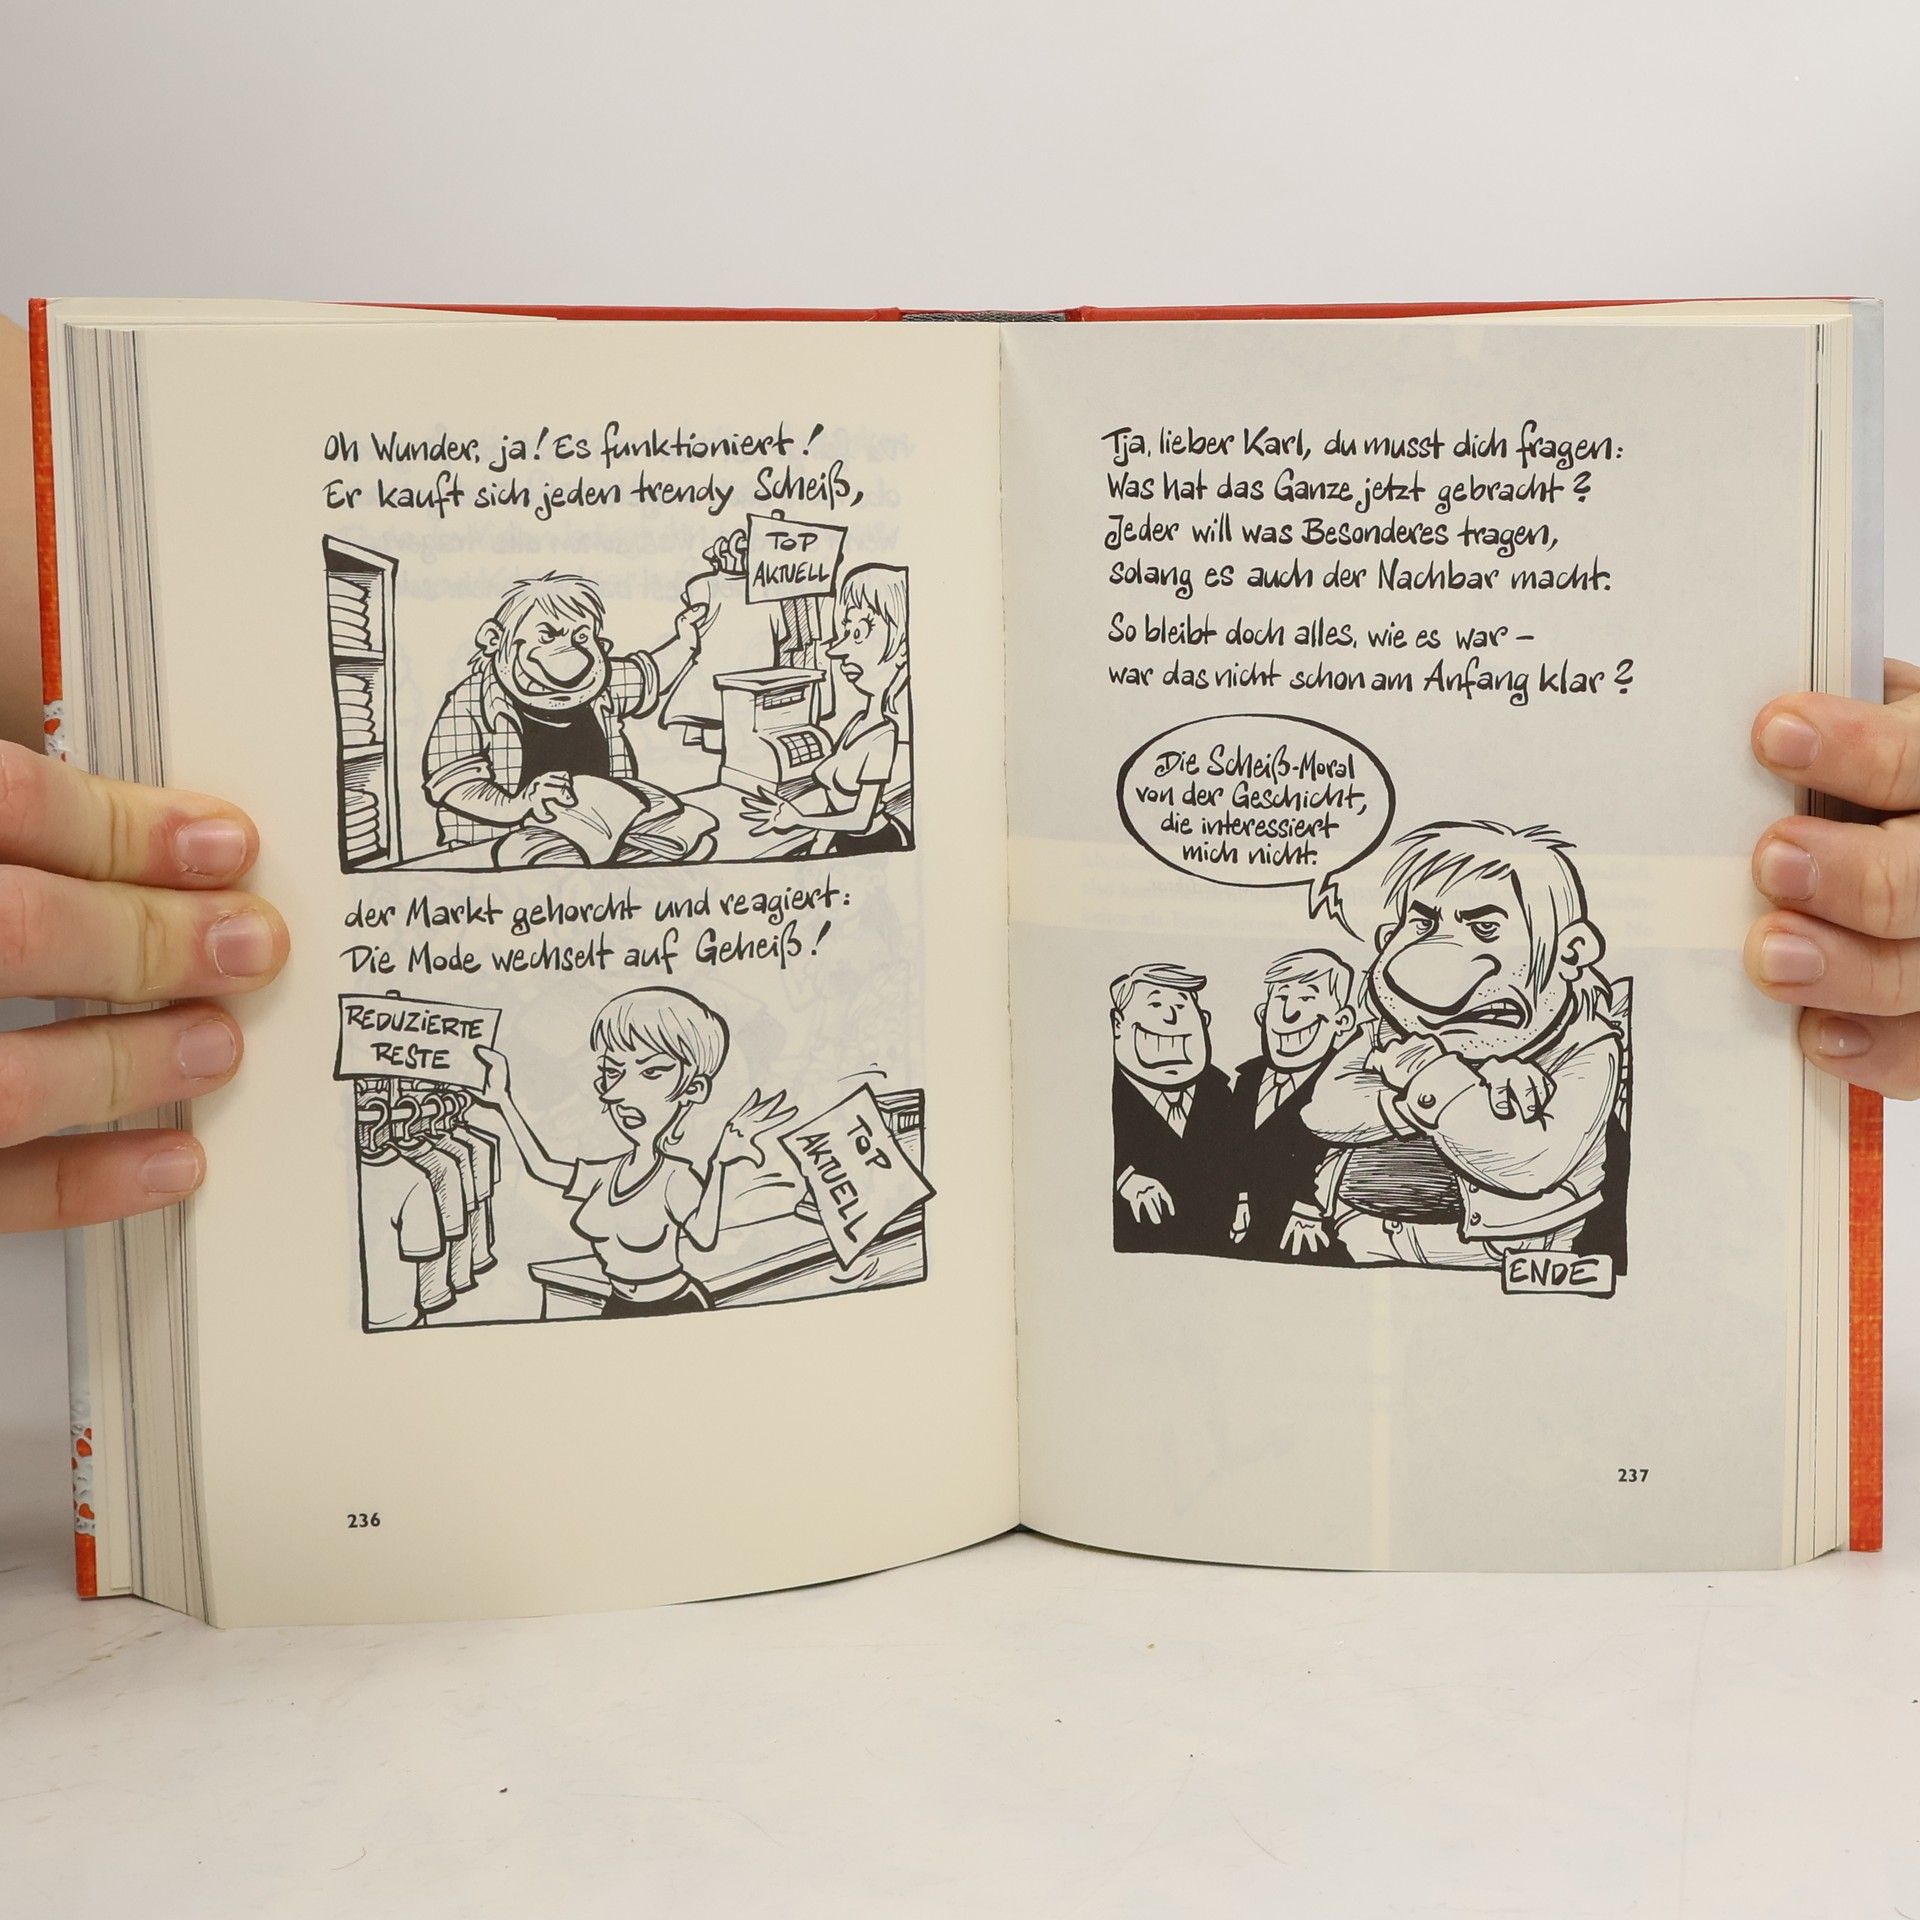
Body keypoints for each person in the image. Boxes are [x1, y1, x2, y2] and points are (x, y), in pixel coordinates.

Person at [0, 314, 1915, 1236]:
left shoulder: (1527, 1037)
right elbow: (467, 795)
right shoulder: (478, 715)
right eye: (551, 639)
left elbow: (658, 688)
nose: (573, 656)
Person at [1302, 821, 1624, 1269]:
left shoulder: (1586, 1045)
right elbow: (1325, 1111)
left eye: (1486, 928)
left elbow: (1529, 1163)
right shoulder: (1387, 1029)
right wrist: (1417, 1098)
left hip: (1496, 1255)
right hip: (1364, 1236)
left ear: (1568, 952)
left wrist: (1435, 1075)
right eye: (1423, 924)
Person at [472, 988, 794, 1317]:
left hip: (677, 1307)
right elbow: (543, 1168)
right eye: (613, 1071)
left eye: (651, 1072)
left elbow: (702, 1236)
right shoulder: (607, 1173)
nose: (618, 1093)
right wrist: (502, 1100)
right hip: (617, 1305)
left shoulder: (674, 1177)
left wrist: (720, 1162)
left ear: (694, 1088)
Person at [421, 570, 707, 855]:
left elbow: (650, 674)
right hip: (495, 839)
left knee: (689, 845)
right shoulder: (472, 698)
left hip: (597, 832)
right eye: (547, 635)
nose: (571, 657)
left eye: (581, 637)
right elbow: (456, 782)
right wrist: (518, 806)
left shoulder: (601, 683)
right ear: (495, 638)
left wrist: (685, 641)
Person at [739, 564, 912, 855]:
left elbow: (861, 818)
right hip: (845, 843)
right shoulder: (858, 722)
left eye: (859, 633)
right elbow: (834, 803)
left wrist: (798, 819)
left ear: (902, 650)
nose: (837, 651)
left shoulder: (883, 735)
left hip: (877, 844)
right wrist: (816, 848)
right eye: (845, 631)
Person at [1223, 949, 1361, 1262]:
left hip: (1309, 1242)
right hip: (1244, 1240)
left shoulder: (1345, 1086)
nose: (1289, 1014)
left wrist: (1311, 1205)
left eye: (1307, 999)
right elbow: (1233, 1149)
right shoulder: (1246, 1080)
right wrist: (1239, 1197)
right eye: (1282, 998)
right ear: (1262, 1013)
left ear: (1342, 1021)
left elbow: (1346, 1157)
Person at [1109, 962, 1238, 1255]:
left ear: (1204, 1020)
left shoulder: (1220, 1092)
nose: (1170, 1017)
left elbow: (1239, 1157)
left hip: (1217, 1253)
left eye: (1180, 1006)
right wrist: (1126, 1179)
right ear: (1118, 1024)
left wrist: (1242, 1200)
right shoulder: (1106, 1097)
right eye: (1154, 1004)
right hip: (1140, 1258)